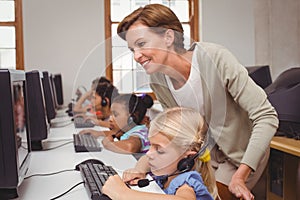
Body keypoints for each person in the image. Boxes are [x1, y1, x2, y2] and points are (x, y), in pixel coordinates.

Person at [116, 4, 279, 200]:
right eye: (132, 49)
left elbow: (266, 116)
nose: (136, 56)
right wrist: (140, 167)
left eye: (141, 44)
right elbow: (175, 136)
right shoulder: (158, 81)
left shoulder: (214, 58)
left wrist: (240, 176)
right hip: (206, 159)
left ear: (168, 37)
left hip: (242, 156)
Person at [102, 107, 218, 200]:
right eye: (151, 145)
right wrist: (139, 170)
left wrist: (123, 194)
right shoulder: (168, 171)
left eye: (159, 150)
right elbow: (145, 160)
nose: (149, 153)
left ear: (187, 158)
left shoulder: (186, 182)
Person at [80, 93, 153, 154]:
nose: (111, 119)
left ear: (132, 118)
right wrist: (99, 134)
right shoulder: (131, 130)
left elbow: (131, 146)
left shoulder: (139, 133)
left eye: (115, 114)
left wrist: (108, 144)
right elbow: (115, 134)